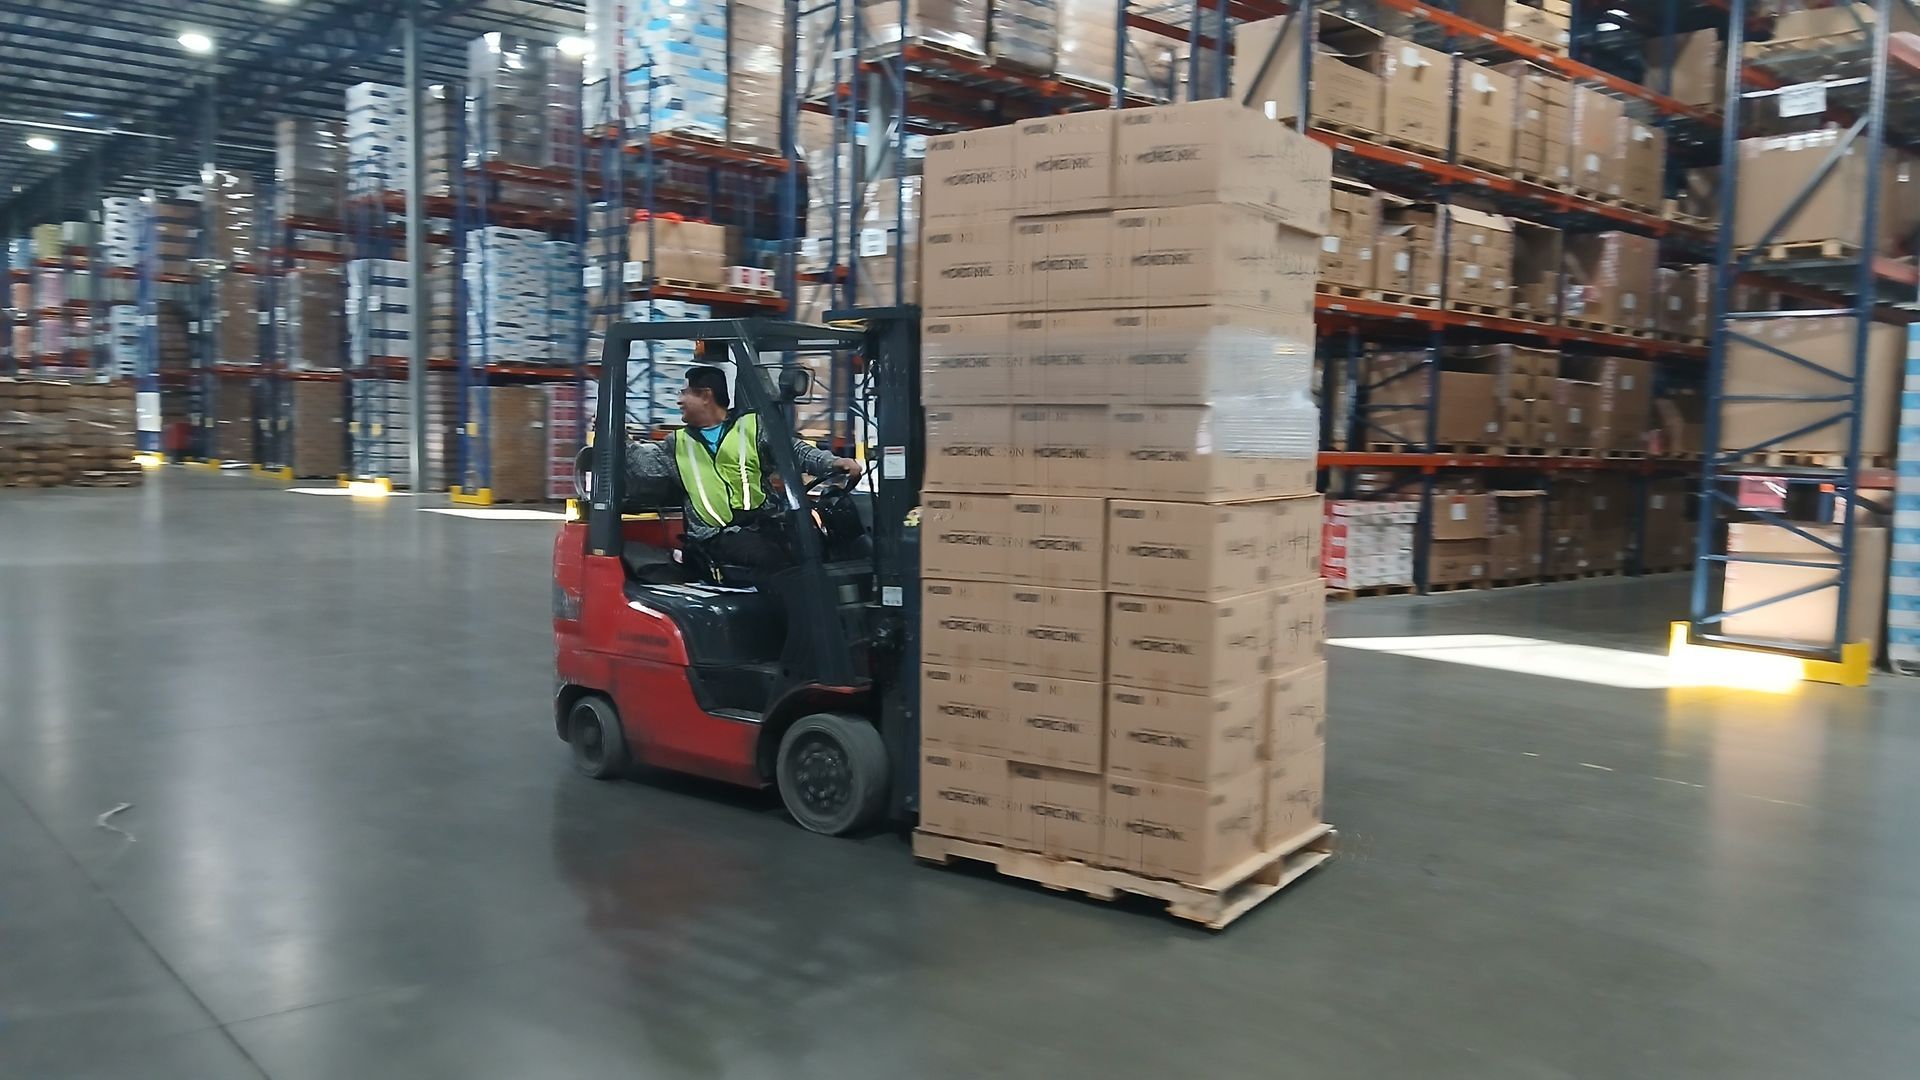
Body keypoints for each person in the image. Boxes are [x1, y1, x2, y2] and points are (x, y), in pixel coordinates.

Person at [624, 365, 862, 573]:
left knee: (820, 544)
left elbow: (794, 451)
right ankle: (800, 622)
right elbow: (640, 464)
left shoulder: (752, 427)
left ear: (706, 395)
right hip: (716, 537)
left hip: (764, 524)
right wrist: (615, 436)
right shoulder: (676, 444)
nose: (679, 400)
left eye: (684, 392)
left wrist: (833, 462)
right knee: (772, 559)